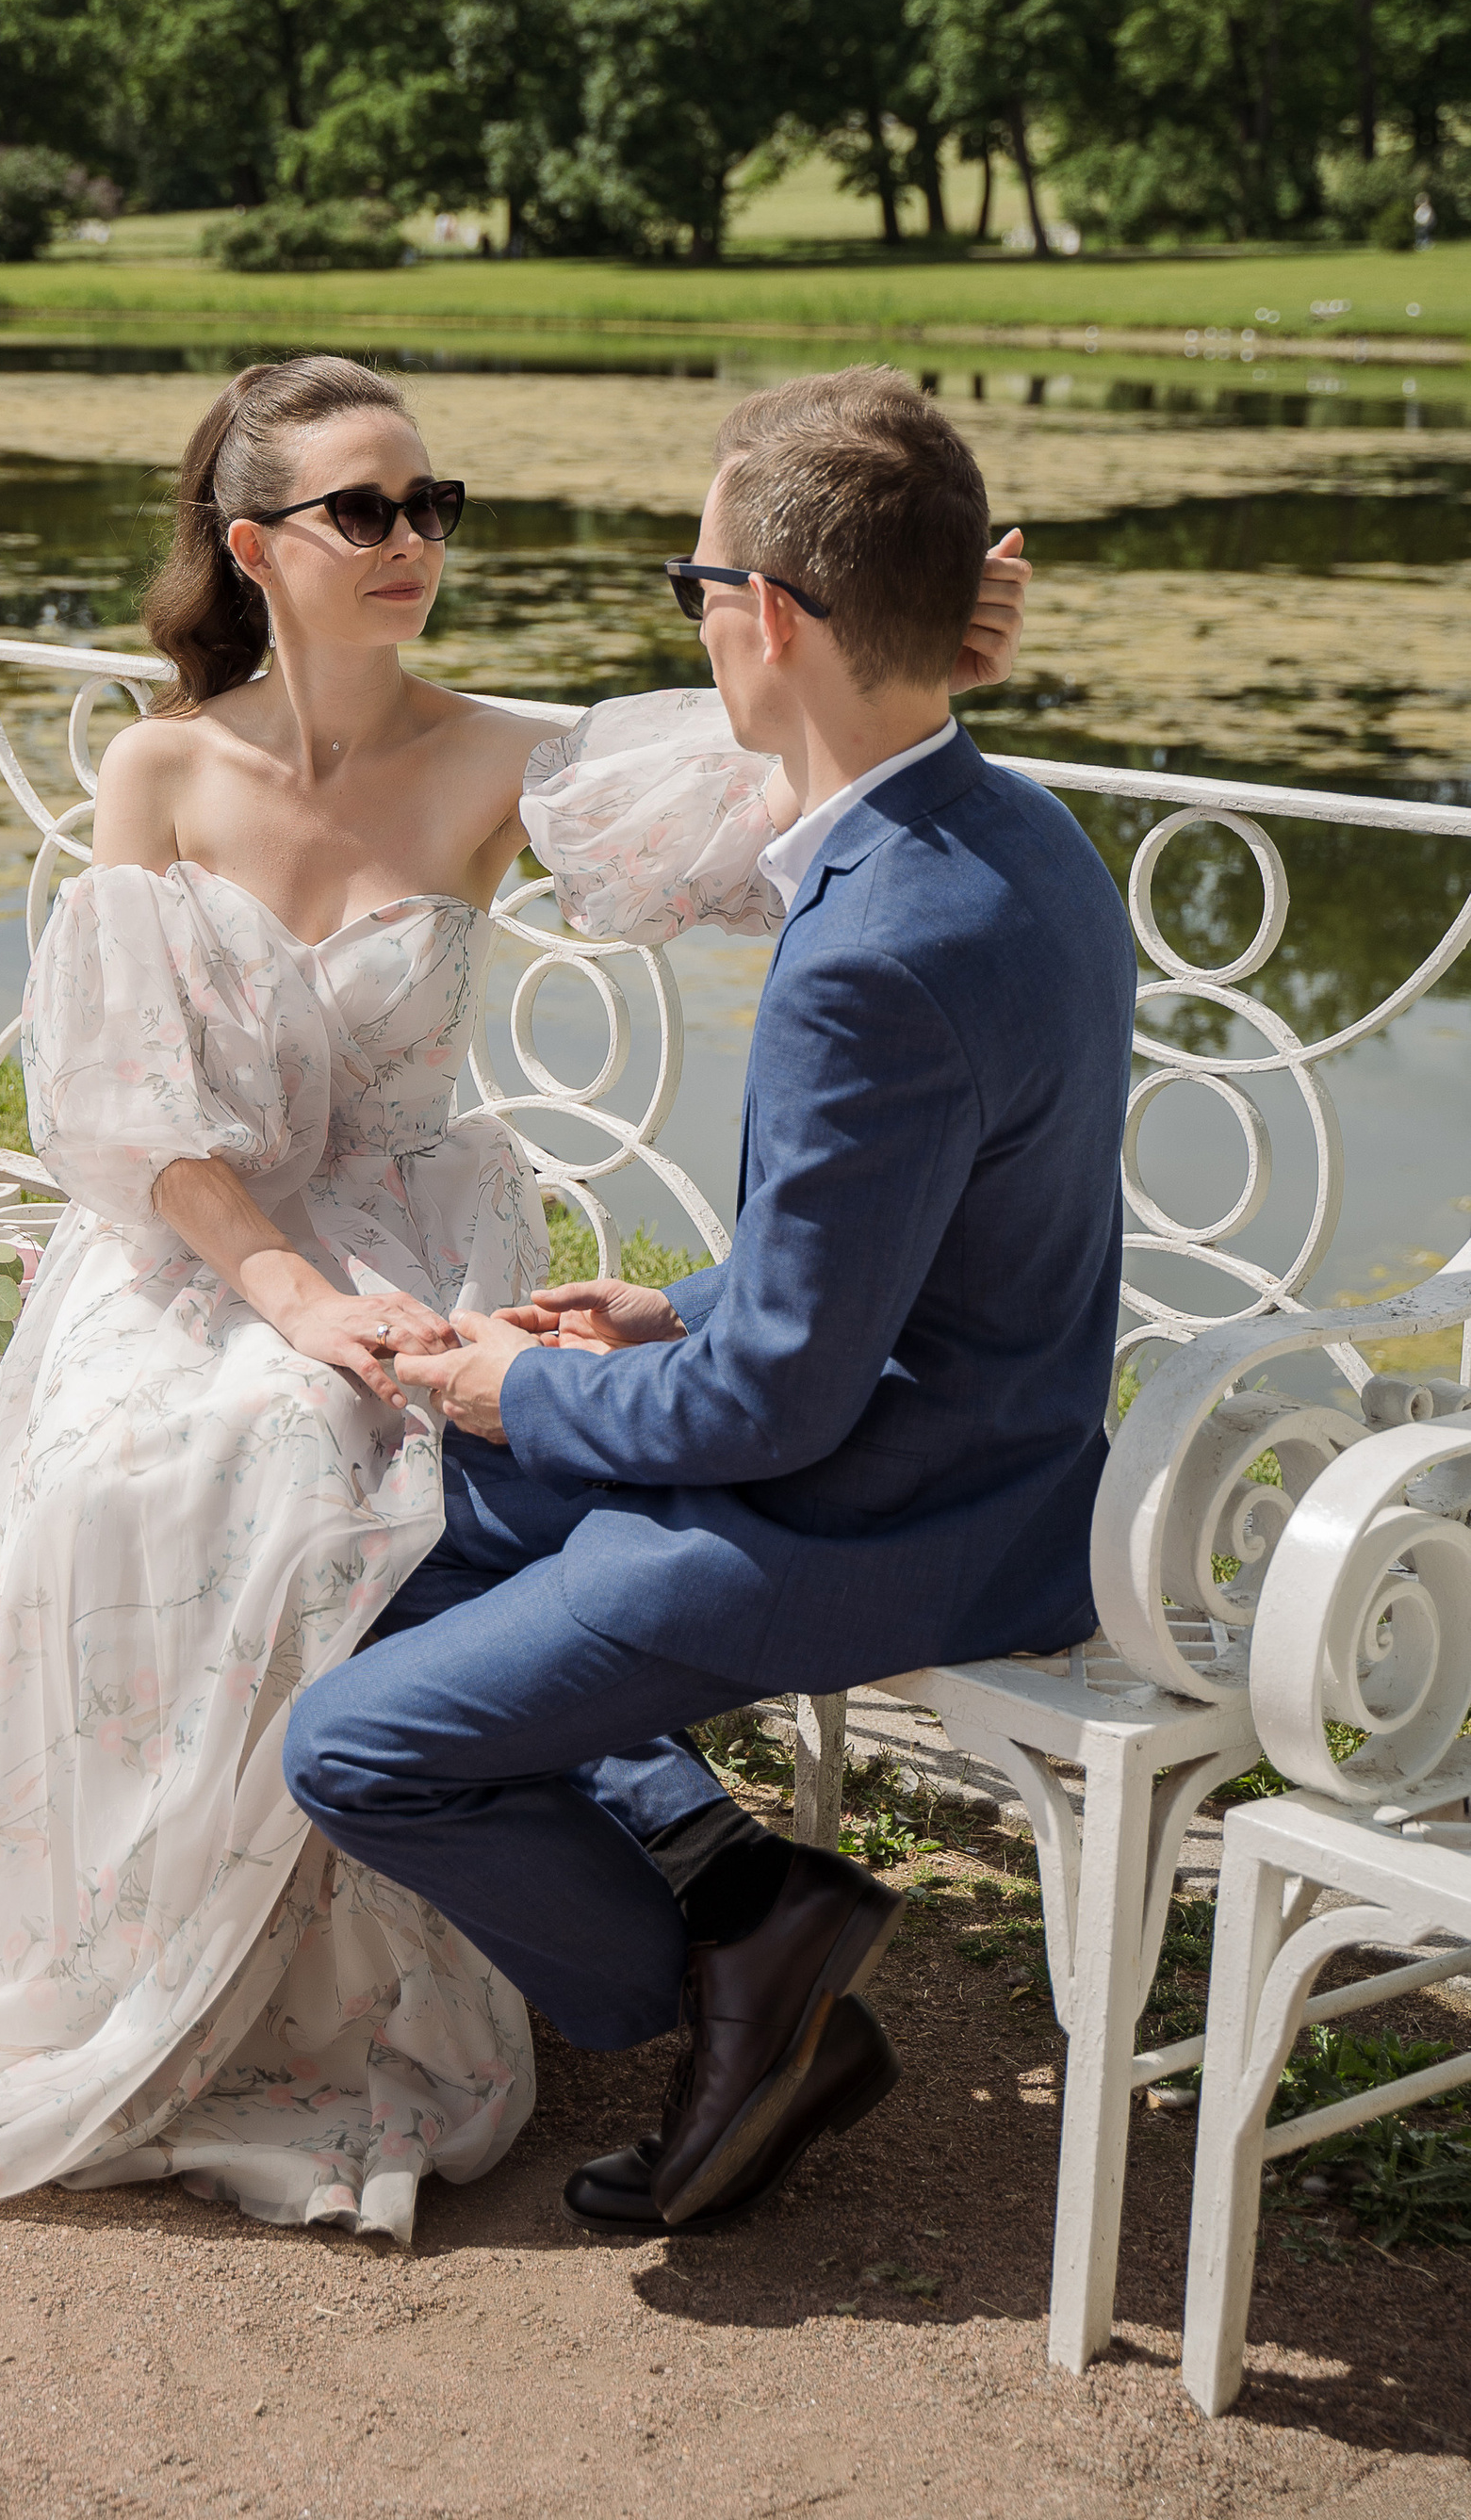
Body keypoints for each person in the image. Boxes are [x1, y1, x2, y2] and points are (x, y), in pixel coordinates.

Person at [0, 354, 1031, 2237]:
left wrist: (933, 644)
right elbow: (139, 1119)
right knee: (213, 1440)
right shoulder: (157, 767)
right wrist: (290, 1299)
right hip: (202, 1244)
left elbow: (801, 759)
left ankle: (637, 1886)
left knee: (354, 1459)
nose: (410, 543)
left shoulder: (501, 762)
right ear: (252, 546)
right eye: (361, 512)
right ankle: (536, 1892)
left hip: (424, 1223)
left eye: (430, 506)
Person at [281, 366, 1136, 2236]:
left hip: (893, 1514)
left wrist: (516, 1384)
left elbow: (772, 1420)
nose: (687, 616)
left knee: (348, 1745)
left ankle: (717, 1995)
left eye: (692, 582)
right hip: (971, 1435)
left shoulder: (872, 953)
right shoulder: (1016, 844)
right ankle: (731, 1880)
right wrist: (674, 1306)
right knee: (384, 1516)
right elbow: (921, 1239)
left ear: (756, 616)